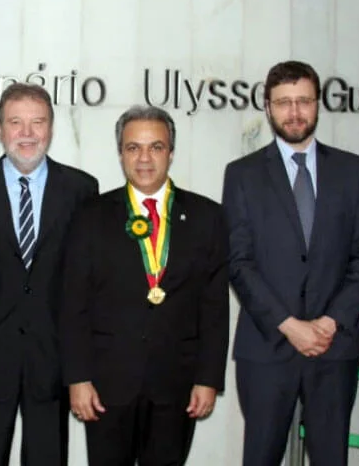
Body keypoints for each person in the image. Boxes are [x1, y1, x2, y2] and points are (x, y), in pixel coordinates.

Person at [221, 60, 359, 466]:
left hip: (334, 345)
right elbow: (238, 261)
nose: (294, 112)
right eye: (284, 102)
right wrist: (290, 325)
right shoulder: (242, 175)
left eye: (303, 101)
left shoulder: (353, 170)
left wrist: (328, 323)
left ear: (318, 104)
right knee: (261, 457)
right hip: (267, 344)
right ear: (268, 107)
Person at [61, 105, 229, 466]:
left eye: (156, 147)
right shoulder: (90, 215)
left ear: (171, 152)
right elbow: (73, 303)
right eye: (133, 147)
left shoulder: (207, 217)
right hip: (107, 385)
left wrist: (208, 379)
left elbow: (214, 307)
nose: (144, 158)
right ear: (120, 153)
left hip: (177, 385)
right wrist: (77, 377)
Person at [0, 83, 98, 466]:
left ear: (52, 128)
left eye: (37, 122)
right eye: (15, 122)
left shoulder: (82, 190)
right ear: (0, 128)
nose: (27, 133)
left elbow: (87, 283)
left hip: (52, 360)